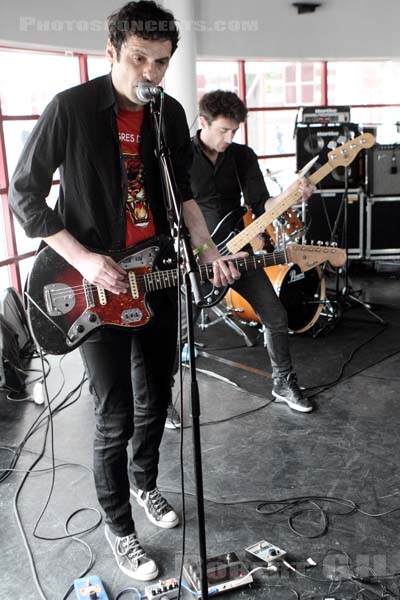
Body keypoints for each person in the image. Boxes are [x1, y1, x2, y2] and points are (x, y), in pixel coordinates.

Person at [8, 2, 246, 582]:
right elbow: (24, 196)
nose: (150, 72)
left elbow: (184, 195)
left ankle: (144, 485)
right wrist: (86, 261)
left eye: (161, 62)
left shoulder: (168, 115)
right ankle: (118, 526)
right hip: (95, 287)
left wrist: (208, 249)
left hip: (159, 275)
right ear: (111, 50)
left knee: (157, 401)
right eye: (139, 58)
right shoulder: (70, 109)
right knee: (115, 415)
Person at [166, 90, 315, 428]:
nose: (229, 138)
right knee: (178, 331)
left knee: (276, 316)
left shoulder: (242, 156)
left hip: (239, 250)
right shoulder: (179, 155)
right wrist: (196, 251)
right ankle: (162, 399)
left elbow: (261, 202)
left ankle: (283, 382)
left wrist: (290, 194)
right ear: (203, 122)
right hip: (195, 256)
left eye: (234, 131)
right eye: (223, 130)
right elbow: (173, 213)